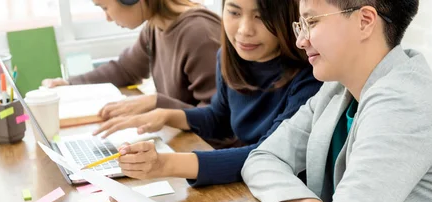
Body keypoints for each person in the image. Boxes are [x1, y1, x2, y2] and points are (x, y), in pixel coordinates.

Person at [109, 0, 432, 202]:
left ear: (365, 21)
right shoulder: (338, 90)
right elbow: (262, 158)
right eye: (299, 25)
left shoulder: (402, 107)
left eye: (311, 22)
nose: (301, 40)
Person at [93, 0, 322, 187]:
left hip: (285, 194)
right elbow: (219, 117)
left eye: (260, 16)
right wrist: (167, 115)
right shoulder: (229, 56)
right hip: (250, 184)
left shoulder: (311, 76)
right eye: (233, 12)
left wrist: (166, 164)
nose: (244, 30)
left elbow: (266, 154)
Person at [42, 0, 221, 120]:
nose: (108, 18)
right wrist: (69, 83)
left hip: (213, 155)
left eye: (105, 7)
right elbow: (125, 69)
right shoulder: (155, 26)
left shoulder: (198, 34)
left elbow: (218, 118)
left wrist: (156, 102)